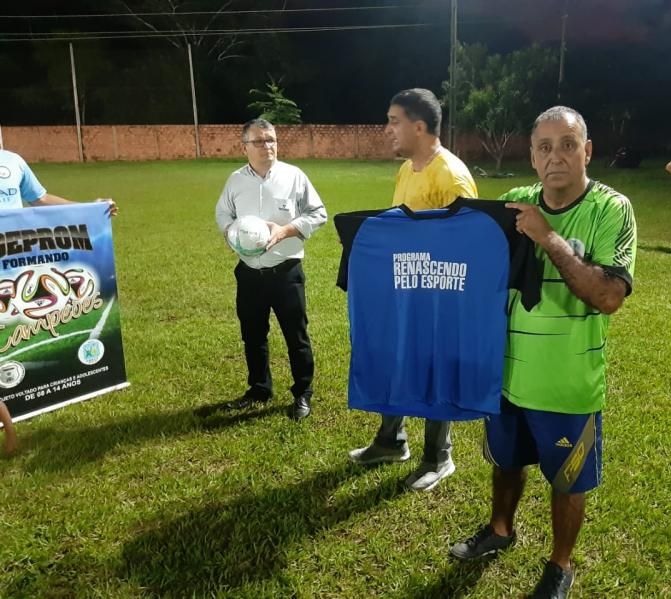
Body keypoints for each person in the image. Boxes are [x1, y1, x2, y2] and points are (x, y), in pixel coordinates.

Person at [449, 106, 637, 599]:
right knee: (505, 460)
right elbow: (465, 256)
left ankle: (559, 565)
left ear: (587, 151)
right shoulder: (514, 202)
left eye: (568, 144)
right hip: (507, 374)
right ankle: (500, 529)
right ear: (532, 156)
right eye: (545, 147)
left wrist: (548, 238)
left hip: (566, 382)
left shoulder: (611, 209)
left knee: (568, 480)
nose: (557, 157)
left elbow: (608, 297)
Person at [348, 88, 478, 492]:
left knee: (434, 369)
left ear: (419, 127)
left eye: (393, 121)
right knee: (397, 360)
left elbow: (469, 242)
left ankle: (439, 457)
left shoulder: (451, 175)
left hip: (440, 297)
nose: (387, 129)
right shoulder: (408, 169)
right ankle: (391, 442)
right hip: (405, 287)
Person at [0, 148, 118, 454]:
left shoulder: (13, 161)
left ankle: (11, 429)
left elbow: (40, 199)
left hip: (13, 264)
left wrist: (90, 209)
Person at [215, 119, 327, 421]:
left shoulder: (294, 176)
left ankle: (303, 392)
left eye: (272, 140)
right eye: (260, 141)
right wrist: (230, 232)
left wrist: (287, 230)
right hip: (250, 271)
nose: (268, 146)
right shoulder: (236, 180)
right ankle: (259, 389)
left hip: (286, 271)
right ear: (245, 147)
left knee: (296, 335)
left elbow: (319, 213)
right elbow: (223, 212)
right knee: (252, 334)